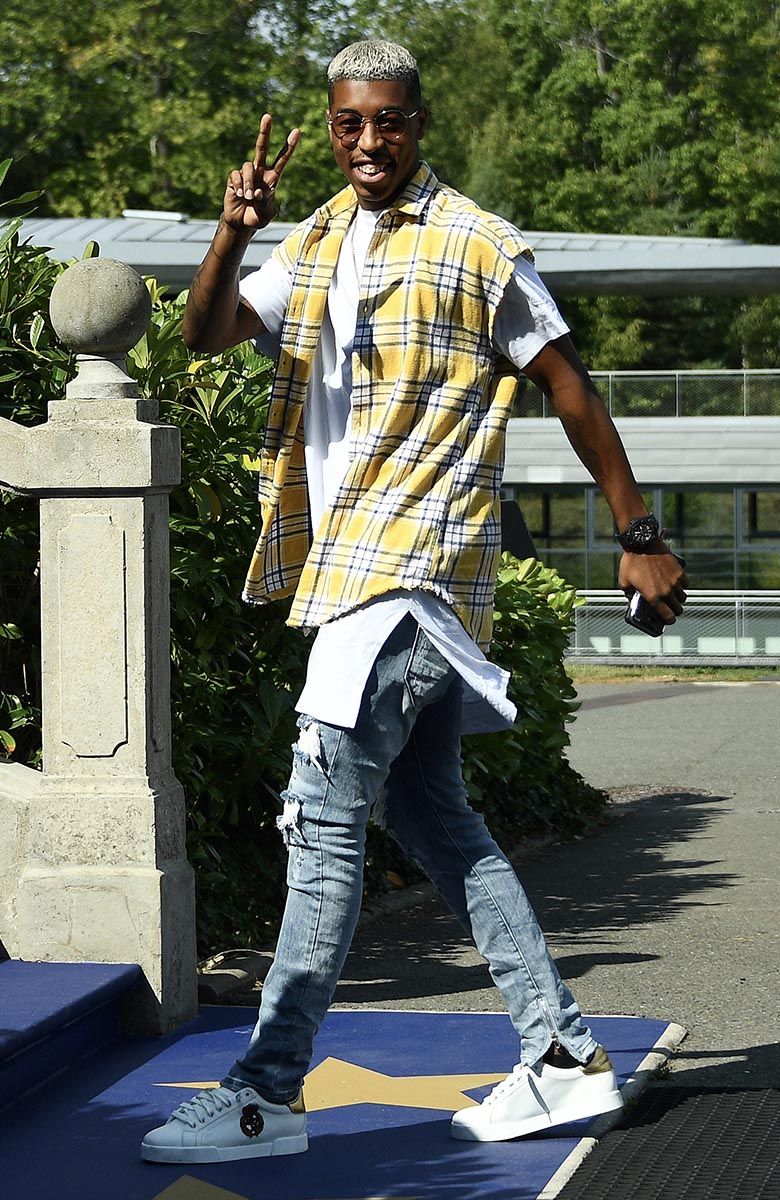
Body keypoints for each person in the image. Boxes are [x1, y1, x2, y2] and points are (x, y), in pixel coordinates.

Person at [141, 39, 687, 1164]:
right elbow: (204, 337)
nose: (369, 142)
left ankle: (266, 1090)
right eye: (350, 124)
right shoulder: (318, 240)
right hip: (347, 568)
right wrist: (234, 228)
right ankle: (563, 1056)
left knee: (323, 820)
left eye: (389, 122)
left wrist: (639, 535)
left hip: (411, 573)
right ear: (332, 129)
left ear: (418, 124)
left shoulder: (480, 245)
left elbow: (569, 387)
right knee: (435, 820)